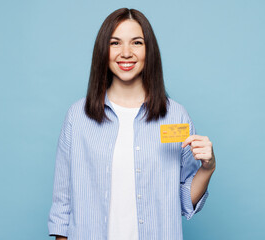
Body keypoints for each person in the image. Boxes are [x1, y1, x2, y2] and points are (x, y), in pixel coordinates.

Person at [48, 8, 216, 240]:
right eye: (115, 43)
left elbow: (183, 200)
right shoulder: (77, 117)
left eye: (136, 42)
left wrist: (208, 168)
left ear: (149, 50)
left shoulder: (175, 116)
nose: (126, 53)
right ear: (103, 51)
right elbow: (62, 206)